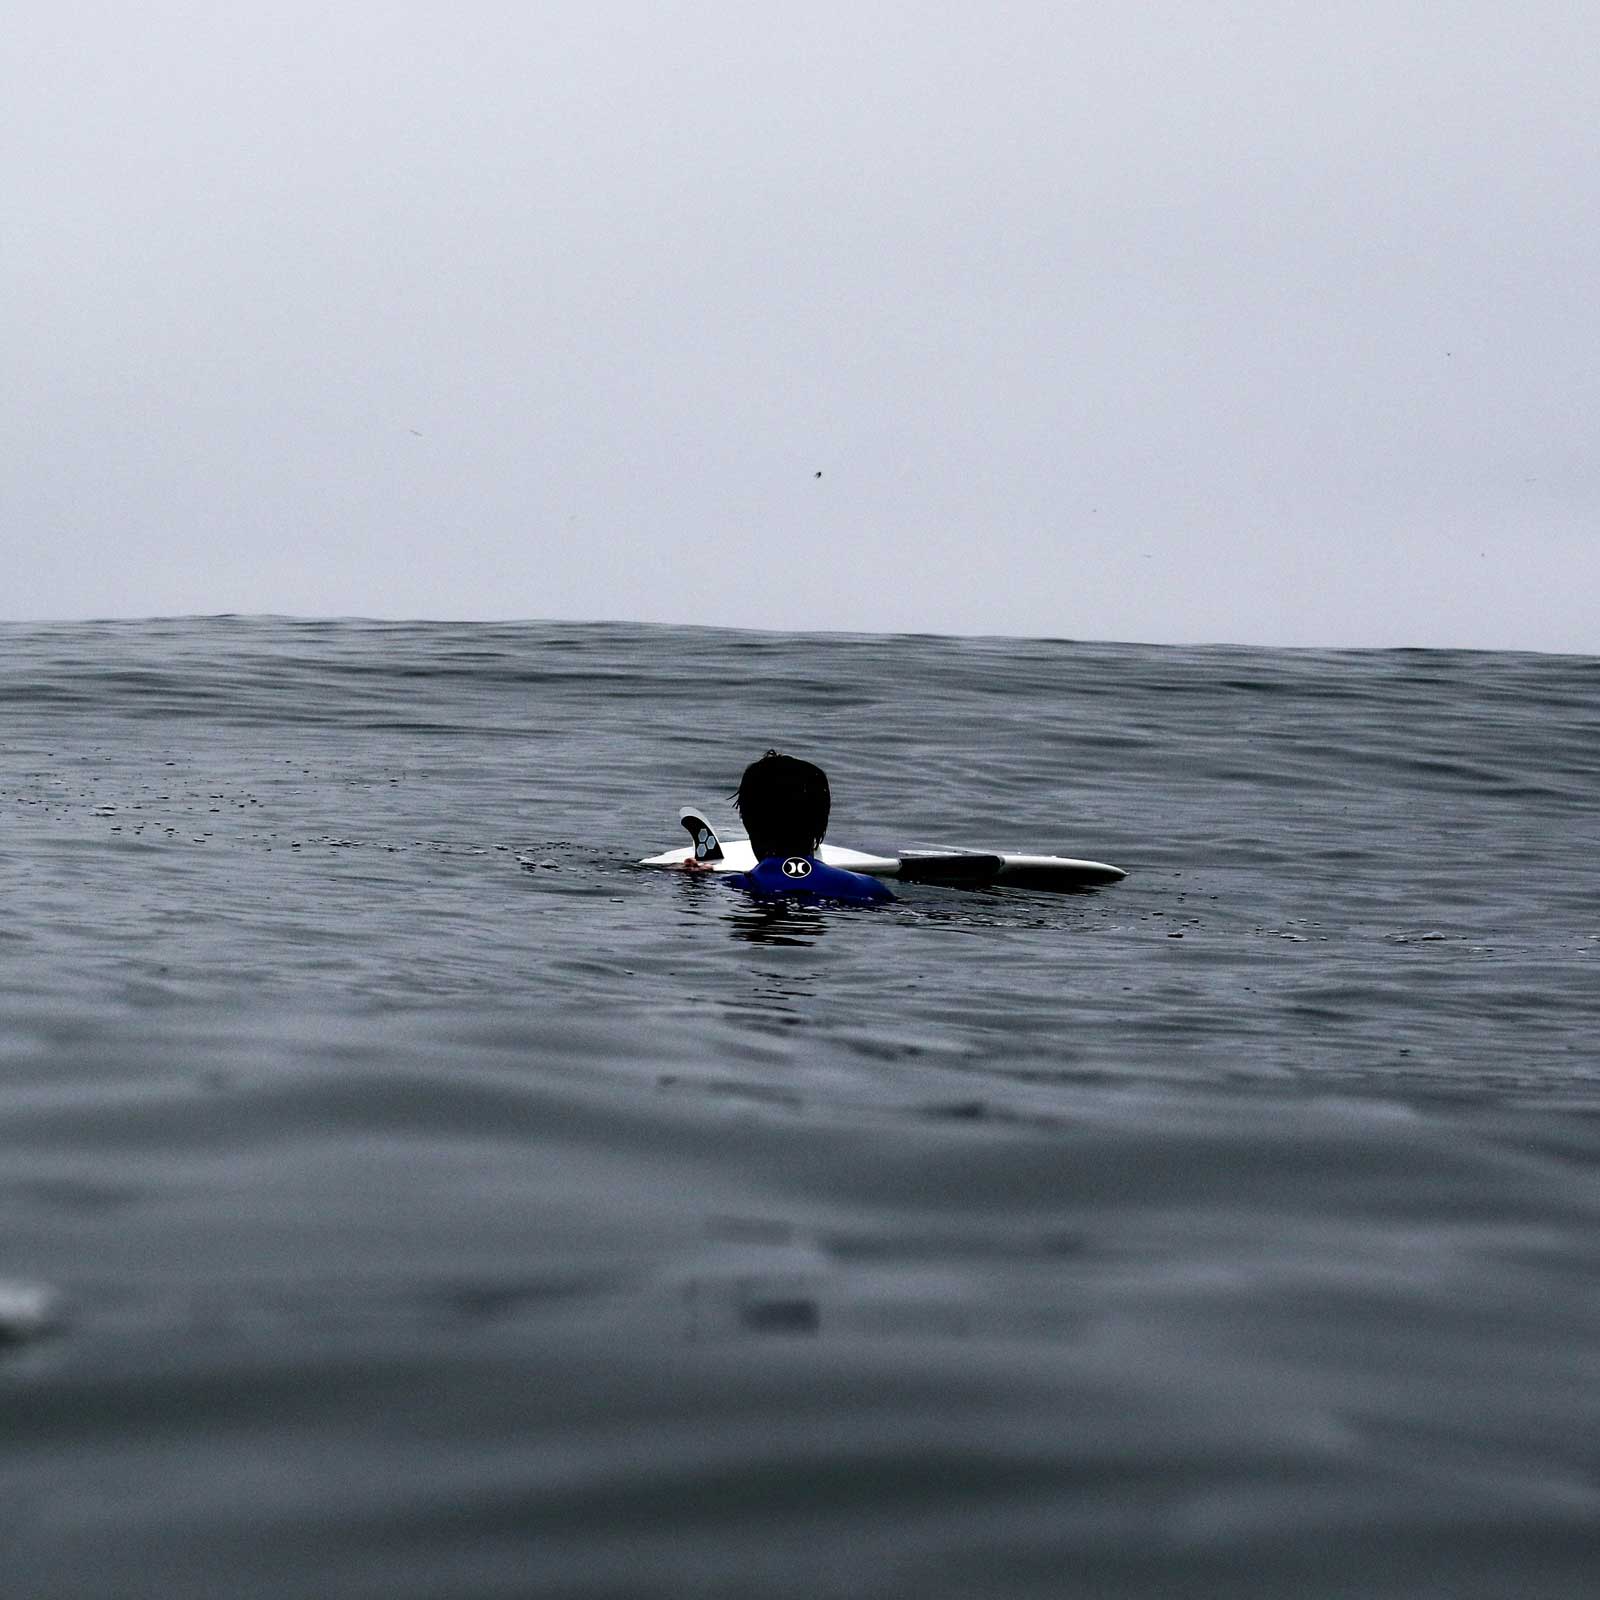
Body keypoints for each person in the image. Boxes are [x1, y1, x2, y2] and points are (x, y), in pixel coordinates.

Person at [717, 751, 892, 905]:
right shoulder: (867, 887)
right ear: (821, 822)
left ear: (748, 821)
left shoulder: (733, 885)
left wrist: (696, 877)